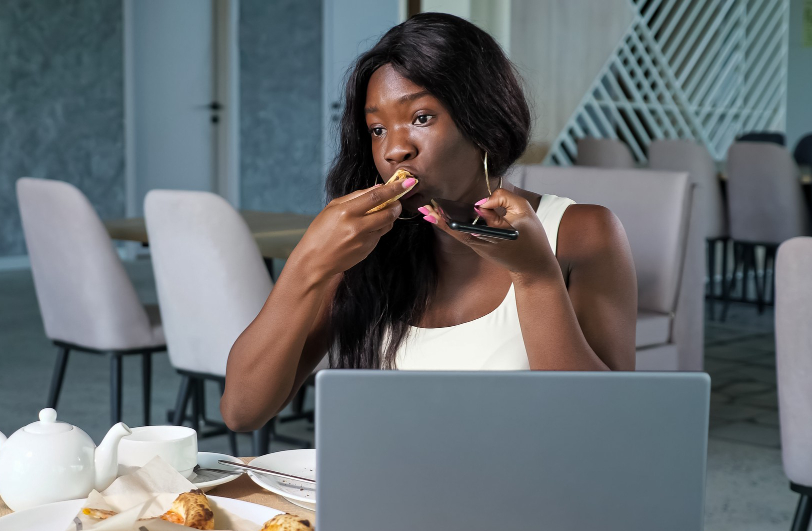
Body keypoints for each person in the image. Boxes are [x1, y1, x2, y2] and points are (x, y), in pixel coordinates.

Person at [221, 13, 637, 432]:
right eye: (378, 129)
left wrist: (534, 277)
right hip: (386, 491)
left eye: (421, 117)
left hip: (528, 495)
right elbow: (242, 412)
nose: (394, 150)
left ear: (483, 123)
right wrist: (308, 263)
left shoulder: (582, 231)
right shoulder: (363, 246)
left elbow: (605, 430)